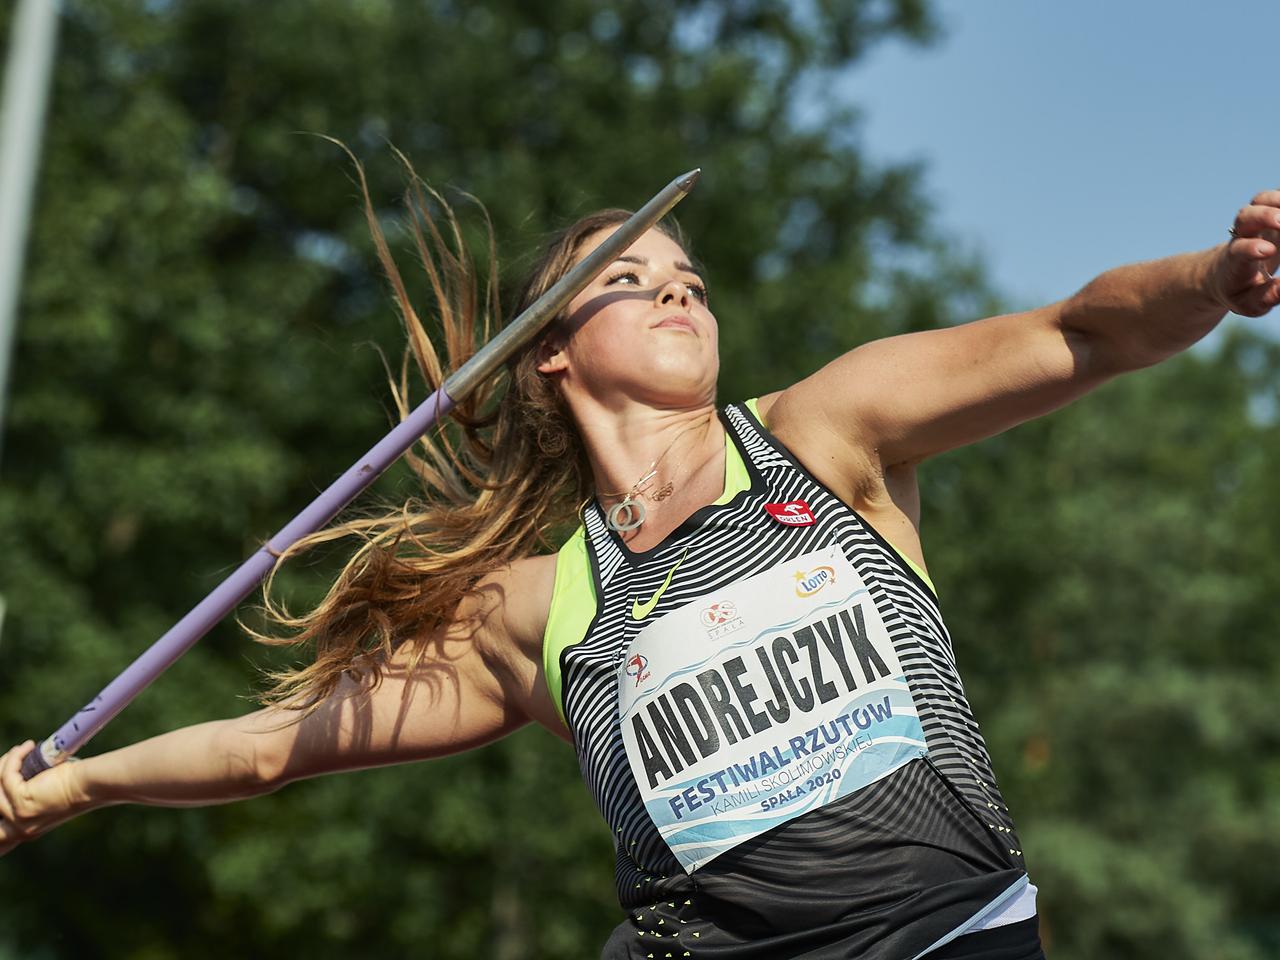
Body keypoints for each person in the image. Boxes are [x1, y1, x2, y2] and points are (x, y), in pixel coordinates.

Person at [2, 178, 1278, 959]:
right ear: (549, 352)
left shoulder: (817, 434)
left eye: (690, 281)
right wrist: (78, 785)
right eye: (628, 280)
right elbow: (273, 749)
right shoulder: (536, 607)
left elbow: (1080, 334)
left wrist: (1213, 278)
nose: (678, 296)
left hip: (954, 938)